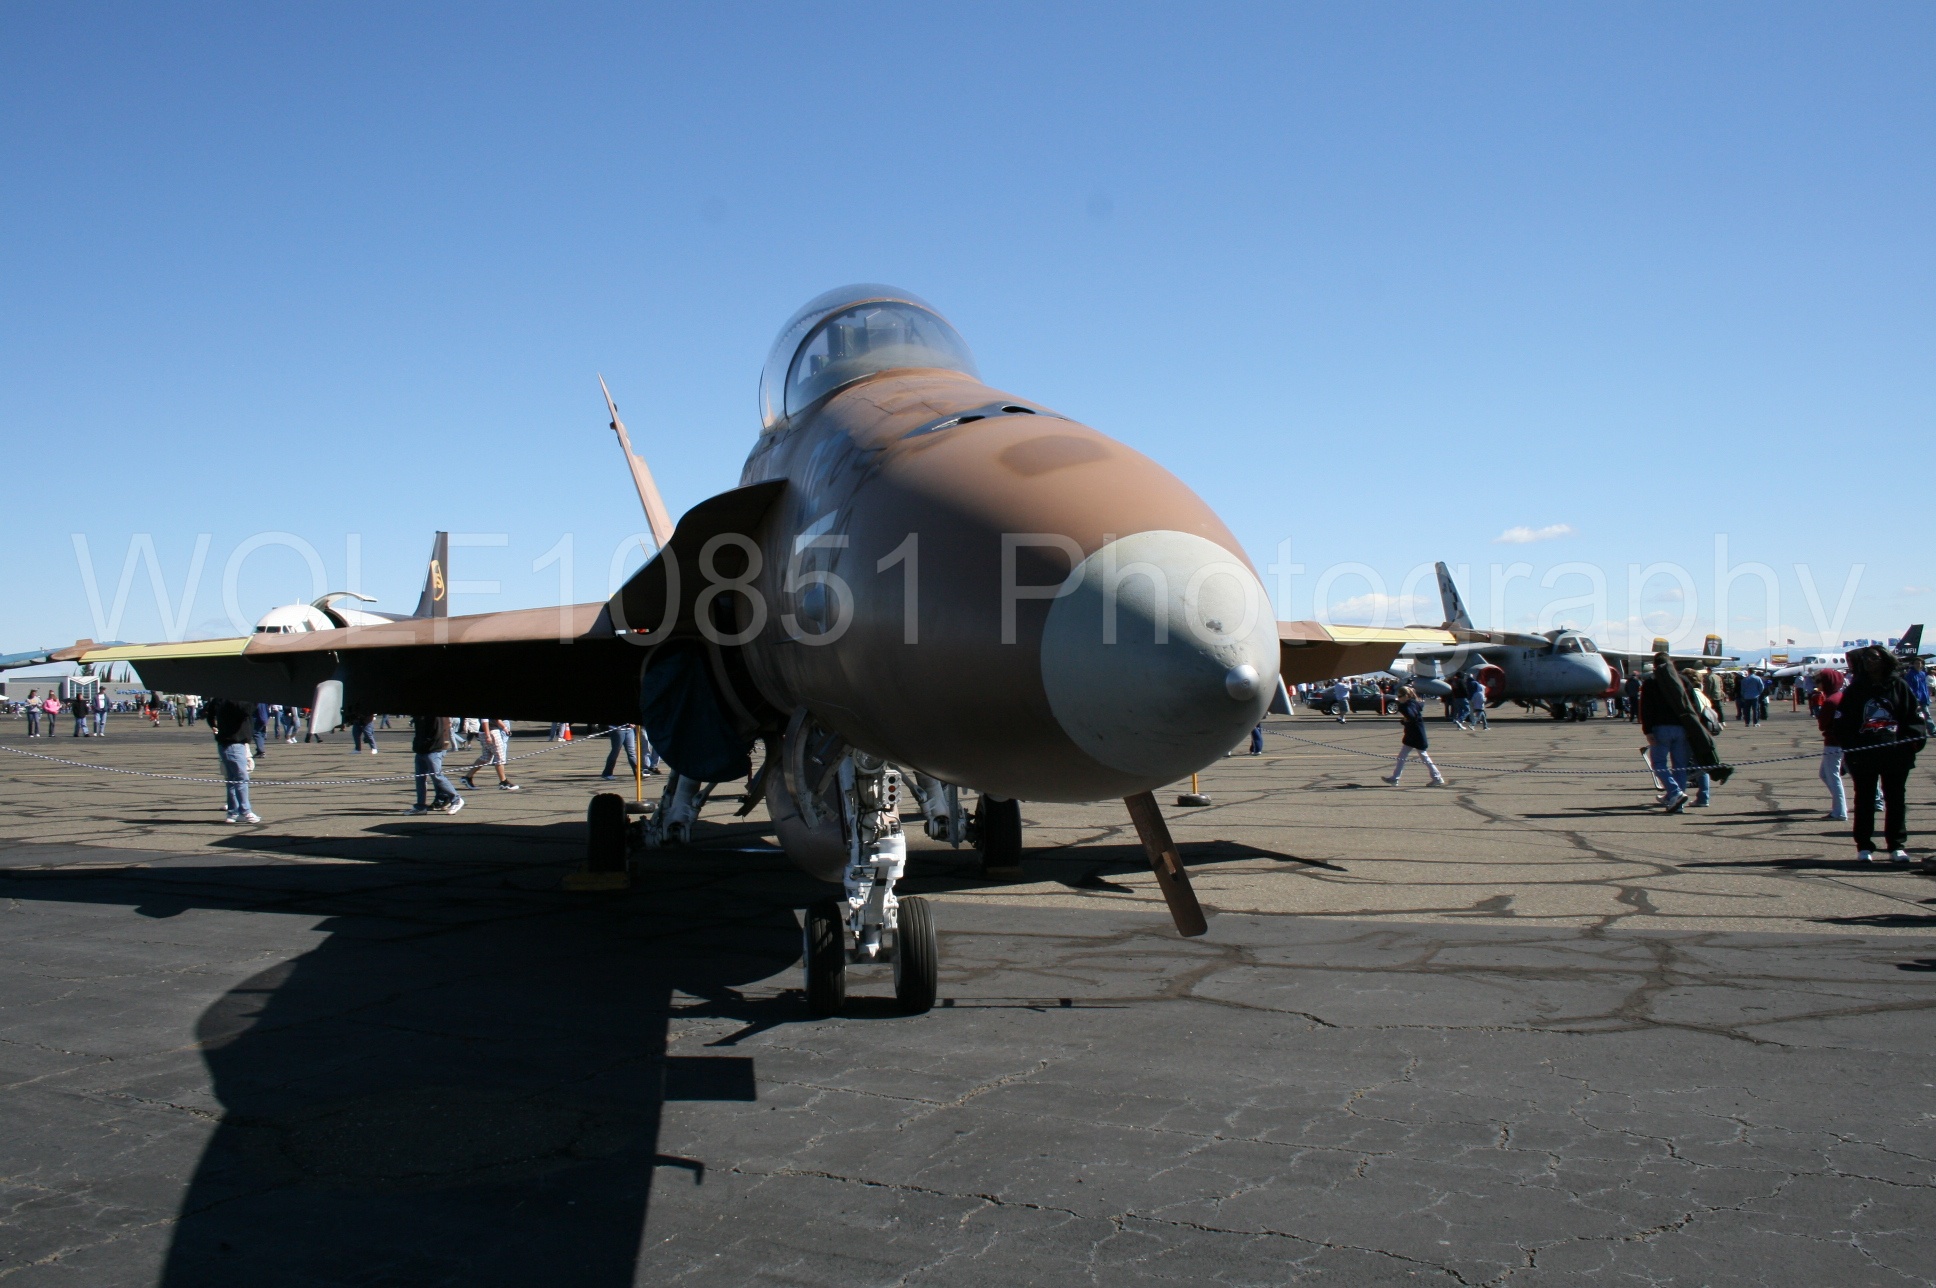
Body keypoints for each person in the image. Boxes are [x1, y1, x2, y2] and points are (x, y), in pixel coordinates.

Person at [1832, 646, 1927, 864]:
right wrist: (1851, 749)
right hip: (1864, 756)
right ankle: (1864, 846)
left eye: (1874, 658)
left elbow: (1914, 718)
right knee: (1864, 800)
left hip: (1895, 755)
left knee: (1895, 800)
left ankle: (1896, 845)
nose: (1869, 663)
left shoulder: (1899, 686)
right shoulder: (1856, 690)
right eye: (1865, 659)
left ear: (1884, 660)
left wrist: (1910, 745)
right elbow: (1842, 723)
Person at [1640, 653, 1731, 812]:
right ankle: (1678, 804)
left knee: (1659, 763)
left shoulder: (1651, 682)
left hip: (1660, 728)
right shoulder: (1683, 681)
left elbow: (1646, 708)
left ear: (1654, 665)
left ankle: (1675, 792)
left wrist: (1647, 730)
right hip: (1682, 728)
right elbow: (1693, 706)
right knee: (1680, 766)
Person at [204, 697, 260, 824]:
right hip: (234, 743)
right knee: (241, 778)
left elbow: (209, 714)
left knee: (231, 779)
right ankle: (244, 811)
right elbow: (247, 709)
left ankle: (233, 812)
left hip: (228, 742)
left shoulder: (221, 699)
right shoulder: (234, 700)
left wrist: (214, 727)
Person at [1381, 686, 1446, 787]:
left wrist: (1402, 710)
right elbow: (1411, 717)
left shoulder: (1410, 704)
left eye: (1400, 696)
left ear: (1406, 696)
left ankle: (1437, 777)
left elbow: (1411, 715)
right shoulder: (1413, 703)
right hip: (1412, 735)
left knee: (1424, 757)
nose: (1398, 698)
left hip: (1416, 735)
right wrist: (1405, 720)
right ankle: (1395, 778)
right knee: (1402, 757)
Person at [408, 715, 464, 815]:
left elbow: (439, 730)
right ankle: (420, 806)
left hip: (434, 748)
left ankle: (456, 799)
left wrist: (429, 745)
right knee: (420, 778)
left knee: (436, 776)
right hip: (421, 748)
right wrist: (417, 745)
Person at [1813, 667, 1847, 822]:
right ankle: (1839, 806)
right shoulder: (1841, 697)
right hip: (1841, 742)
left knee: (1832, 776)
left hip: (1833, 743)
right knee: (1825, 774)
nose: (1817, 683)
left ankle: (1840, 810)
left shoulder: (1831, 701)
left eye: (1819, 680)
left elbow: (1823, 724)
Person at [462, 716, 520, 791]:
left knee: (486, 757)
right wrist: (488, 735)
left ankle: (468, 777)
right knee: (499, 756)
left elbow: (497, 719)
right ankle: (503, 782)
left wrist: (505, 728)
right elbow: (484, 721)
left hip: (489, 732)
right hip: (491, 732)